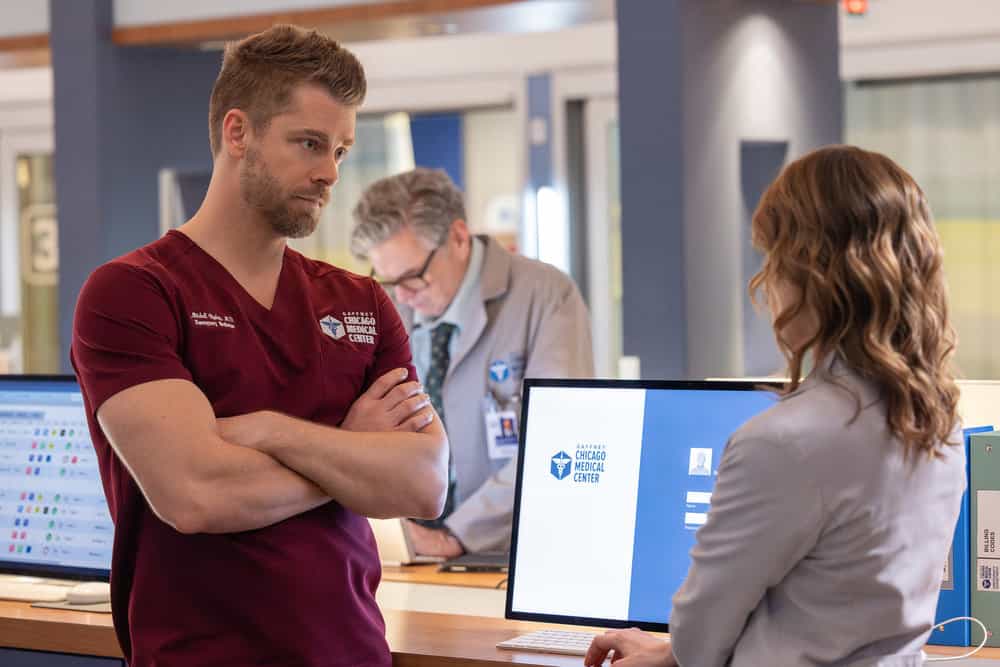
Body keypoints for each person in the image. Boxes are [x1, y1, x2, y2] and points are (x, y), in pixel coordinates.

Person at [71, 25, 447, 667]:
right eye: (308, 143)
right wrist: (352, 452)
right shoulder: (132, 293)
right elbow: (196, 495)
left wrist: (274, 431)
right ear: (238, 132)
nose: (329, 172)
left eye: (341, 150)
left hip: (353, 654)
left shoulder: (361, 302)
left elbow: (424, 484)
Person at [585, 146, 966, 667]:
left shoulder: (785, 441)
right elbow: (832, 610)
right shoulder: (937, 421)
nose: (768, 282)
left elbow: (701, 641)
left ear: (812, 274)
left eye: (772, 259)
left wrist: (678, 650)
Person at [350, 168, 594, 556]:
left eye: (413, 277)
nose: (404, 296)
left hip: (511, 553)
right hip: (412, 550)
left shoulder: (546, 296)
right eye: (388, 280)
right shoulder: (391, 308)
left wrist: (458, 536)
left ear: (459, 237)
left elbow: (558, 444)